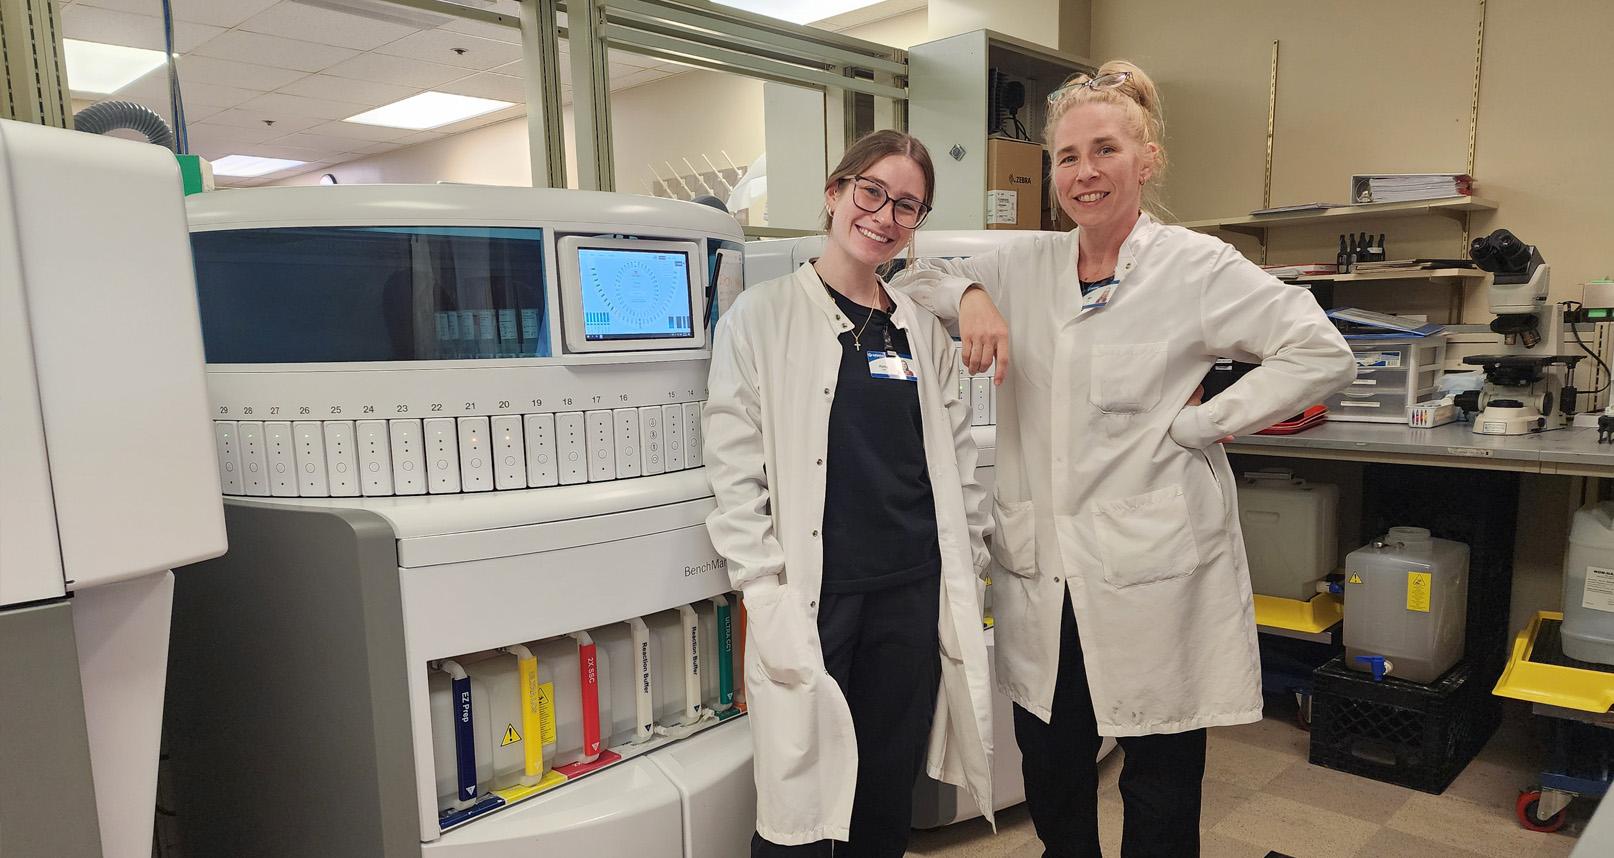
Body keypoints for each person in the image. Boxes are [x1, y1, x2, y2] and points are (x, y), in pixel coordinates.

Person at [889, 61, 1358, 857]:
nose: (1084, 173)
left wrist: (1205, 422)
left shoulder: (1194, 267)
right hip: (1048, 568)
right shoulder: (1026, 264)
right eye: (1067, 157)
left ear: (1147, 160)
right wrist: (970, 298)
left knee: (1161, 774)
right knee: (1053, 766)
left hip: (1151, 562)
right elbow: (910, 271)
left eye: (1104, 150)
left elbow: (1320, 351)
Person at [702, 130, 996, 857]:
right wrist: (761, 589)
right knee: (799, 798)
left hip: (908, 588)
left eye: (908, 205)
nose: (884, 215)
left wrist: (970, 558)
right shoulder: (762, 318)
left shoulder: (919, 330)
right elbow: (734, 472)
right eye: (871, 191)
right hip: (815, 594)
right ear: (835, 193)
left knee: (886, 788)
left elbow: (956, 465)